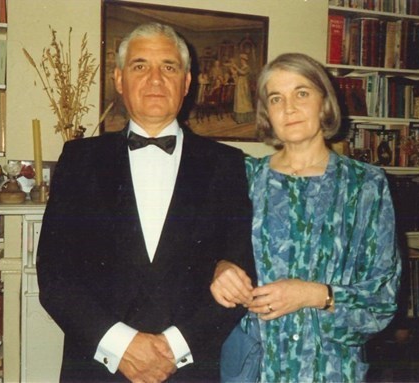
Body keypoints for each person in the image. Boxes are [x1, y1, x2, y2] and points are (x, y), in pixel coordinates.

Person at [36, 22, 256, 383]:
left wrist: (174, 348)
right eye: (140, 66)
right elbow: (55, 276)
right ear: (120, 80)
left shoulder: (228, 164)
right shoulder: (79, 160)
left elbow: (241, 271)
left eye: (169, 67)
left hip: (190, 369)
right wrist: (121, 346)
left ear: (187, 83)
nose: (155, 79)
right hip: (97, 368)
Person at [210, 53, 401, 382]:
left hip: (330, 367)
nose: (289, 108)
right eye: (276, 98)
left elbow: (382, 298)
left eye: (301, 93)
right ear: (266, 114)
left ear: (324, 103)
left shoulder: (365, 185)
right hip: (252, 366)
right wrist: (220, 266)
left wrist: (312, 294)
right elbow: (202, 254)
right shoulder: (243, 178)